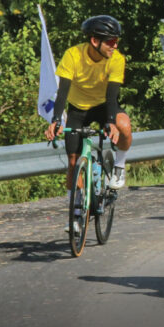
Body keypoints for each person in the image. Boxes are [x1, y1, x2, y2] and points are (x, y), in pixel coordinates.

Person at [44, 15, 134, 236]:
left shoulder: (117, 59)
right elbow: (62, 93)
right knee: (73, 163)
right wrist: (56, 121)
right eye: (111, 41)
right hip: (78, 109)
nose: (115, 46)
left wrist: (111, 123)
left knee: (124, 124)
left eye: (116, 41)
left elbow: (113, 97)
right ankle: (75, 213)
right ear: (95, 41)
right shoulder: (73, 55)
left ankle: (119, 167)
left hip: (104, 106)